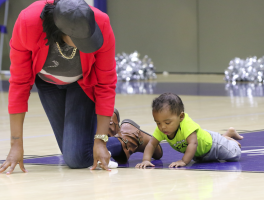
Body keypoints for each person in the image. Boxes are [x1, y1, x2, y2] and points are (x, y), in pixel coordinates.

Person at [0, 0, 162, 175]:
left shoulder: (101, 23)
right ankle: (110, 125)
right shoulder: (27, 23)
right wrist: (16, 144)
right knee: (75, 152)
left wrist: (100, 141)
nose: (88, 42)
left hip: (83, 85)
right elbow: (19, 83)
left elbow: (105, 84)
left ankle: (130, 137)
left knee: (76, 158)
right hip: (48, 84)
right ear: (61, 30)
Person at [136, 93, 243, 168]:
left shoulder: (186, 124)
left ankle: (230, 138)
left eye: (167, 123)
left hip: (213, 145)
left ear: (181, 116)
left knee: (235, 155)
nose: (162, 127)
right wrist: (146, 160)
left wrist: (183, 161)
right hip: (200, 154)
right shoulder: (162, 129)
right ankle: (226, 136)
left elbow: (193, 142)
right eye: (158, 123)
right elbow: (151, 144)